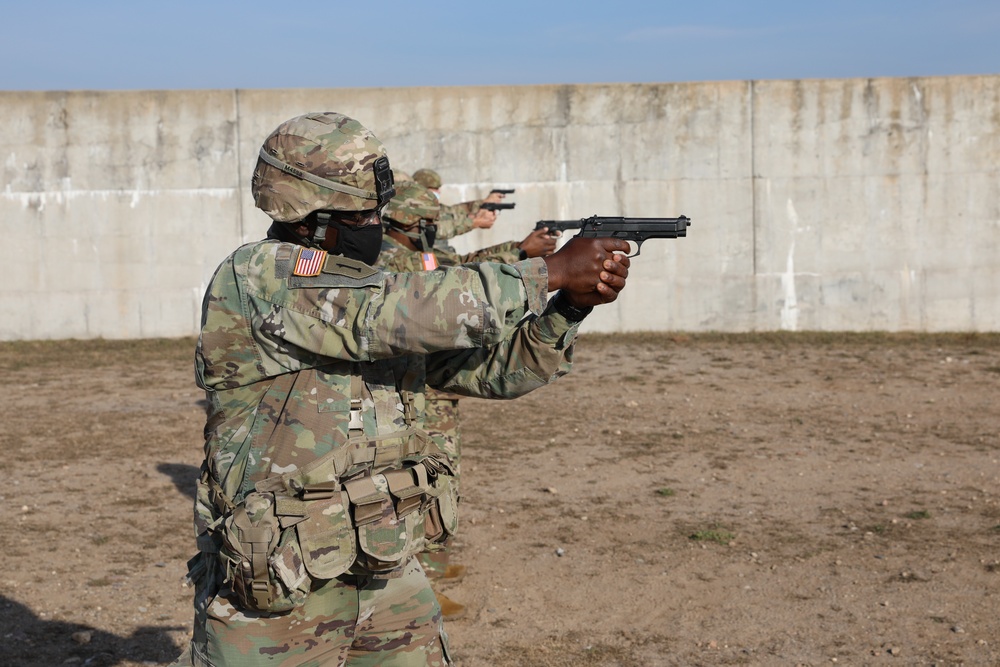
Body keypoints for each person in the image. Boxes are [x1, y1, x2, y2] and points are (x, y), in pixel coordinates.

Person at [175, 111, 630, 667]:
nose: (377, 223)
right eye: (363, 213)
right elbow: (389, 314)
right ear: (307, 215)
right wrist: (547, 274)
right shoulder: (261, 275)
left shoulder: (368, 289)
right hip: (279, 580)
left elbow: (493, 370)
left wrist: (568, 308)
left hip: (383, 561)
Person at [374, 182, 557, 621]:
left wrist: (519, 249)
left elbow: (464, 267)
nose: (434, 229)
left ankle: (433, 568)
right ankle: (420, 591)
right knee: (412, 489)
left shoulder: (417, 252)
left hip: (432, 388)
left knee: (441, 481)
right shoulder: (389, 261)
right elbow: (455, 287)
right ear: (407, 224)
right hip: (409, 396)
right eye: (427, 223)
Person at [412, 167, 507, 241]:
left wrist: (482, 204)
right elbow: (436, 230)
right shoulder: (412, 209)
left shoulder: (430, 207)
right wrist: (474, 222)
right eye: (434, 188)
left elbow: (452, 211)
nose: (438, 192)